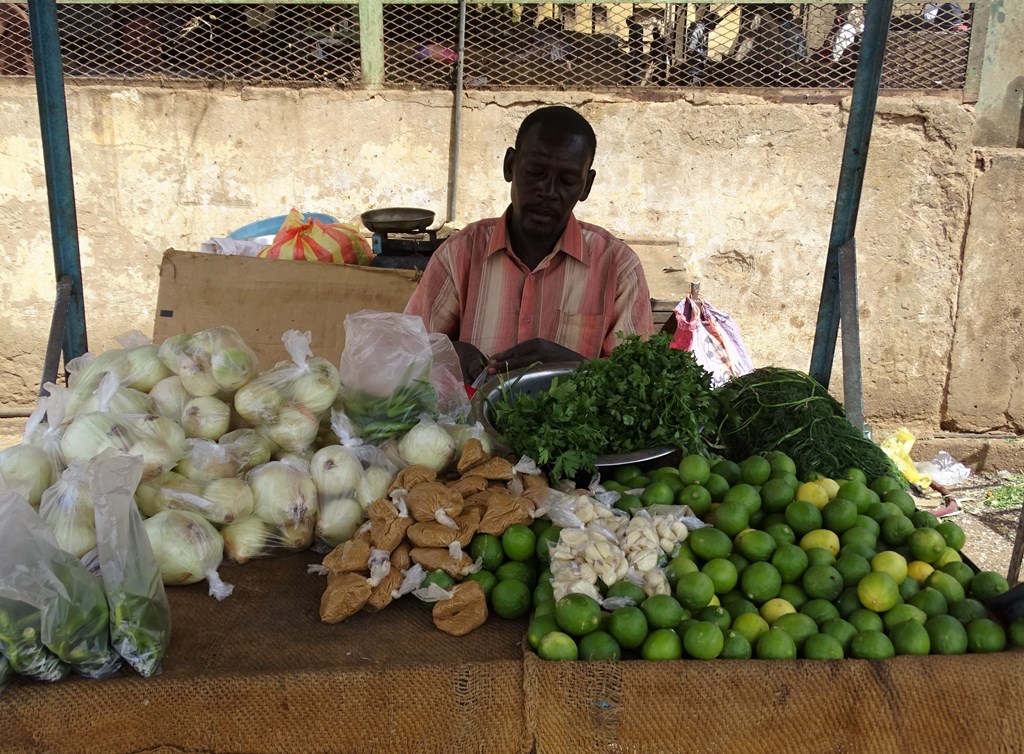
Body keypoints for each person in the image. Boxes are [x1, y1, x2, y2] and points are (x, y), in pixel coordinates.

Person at [404, 106, 654, 384]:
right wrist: (448, 352)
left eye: (567, 180)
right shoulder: (460, 253)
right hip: (469, 426)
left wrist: (574, 369)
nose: (547, 192)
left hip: (575, 427)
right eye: (535, 172)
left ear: (586, 186)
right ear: (510, 165)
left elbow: (638, 382)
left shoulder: (618, 268)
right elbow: (405, 350)